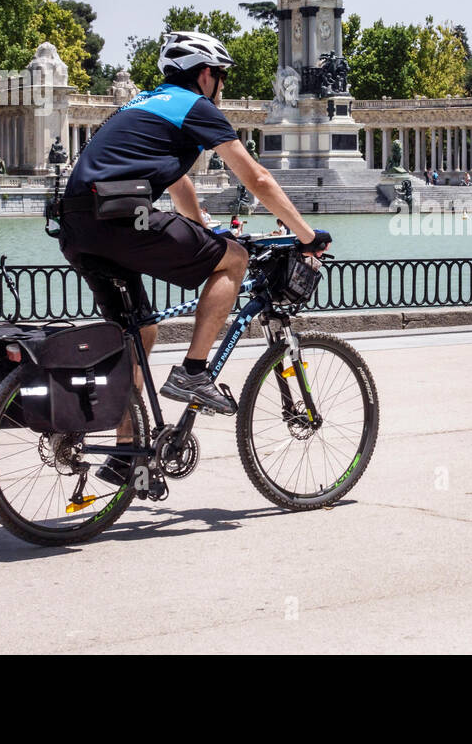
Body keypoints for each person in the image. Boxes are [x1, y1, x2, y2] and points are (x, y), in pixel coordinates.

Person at [57, 30, 329, 482]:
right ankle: (193, 371)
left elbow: (178, 182)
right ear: (205, 76)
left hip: (76, 227)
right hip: (120, 221)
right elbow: (258, 179)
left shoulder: (139, 105)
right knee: (234, 259)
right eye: (220, 77)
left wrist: (203, 228)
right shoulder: (194, 107)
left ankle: (126, 454)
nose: (222, 88)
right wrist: (306, 235)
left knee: (139, 331)